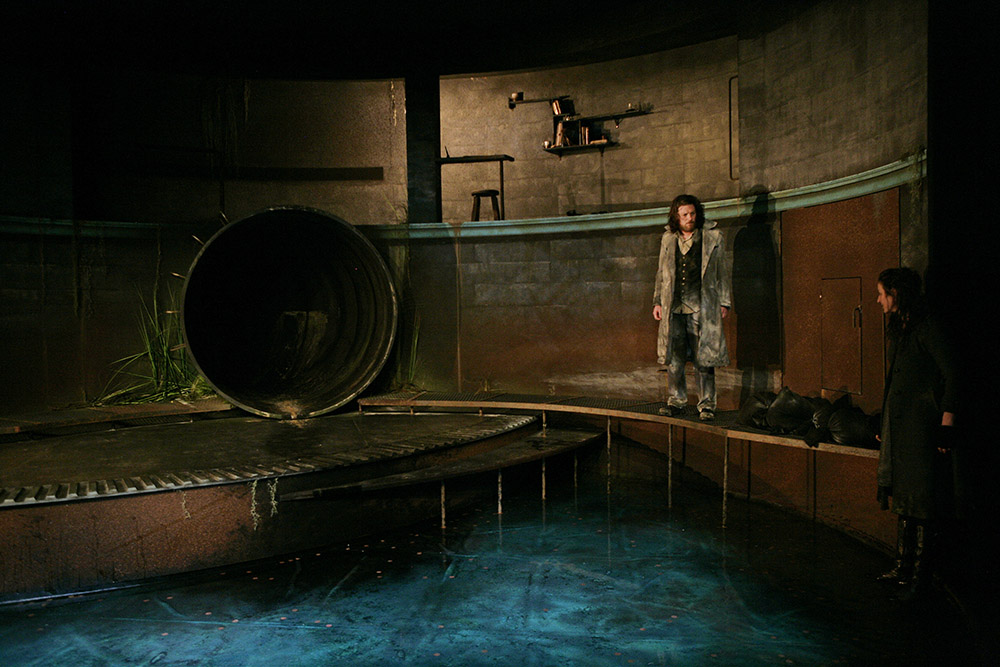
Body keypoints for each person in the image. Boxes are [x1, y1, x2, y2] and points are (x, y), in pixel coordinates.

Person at [875, 267, 958, 597]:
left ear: (897, 294)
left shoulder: (927, 328)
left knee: (922, 502)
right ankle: (903, 567)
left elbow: (953, 374)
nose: (878, 299)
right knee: (906, 498)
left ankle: (920, 577)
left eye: (883, 293)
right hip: (902, 427)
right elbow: (895, 381)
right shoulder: (903, 329)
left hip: (921, 427)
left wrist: (945, 425)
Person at [652, 194, 732, 421]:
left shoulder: (713, 237)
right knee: (675, 359)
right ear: (676, 217)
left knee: (703, 359)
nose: (690, 218)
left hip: (702, 306)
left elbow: (721, 273)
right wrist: (657, 301)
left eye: (692, 213)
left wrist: (724, 302)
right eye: (685, 214)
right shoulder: (668, 239)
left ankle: (707, 404)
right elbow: (661, 273)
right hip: (674, 307)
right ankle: (676, 401)